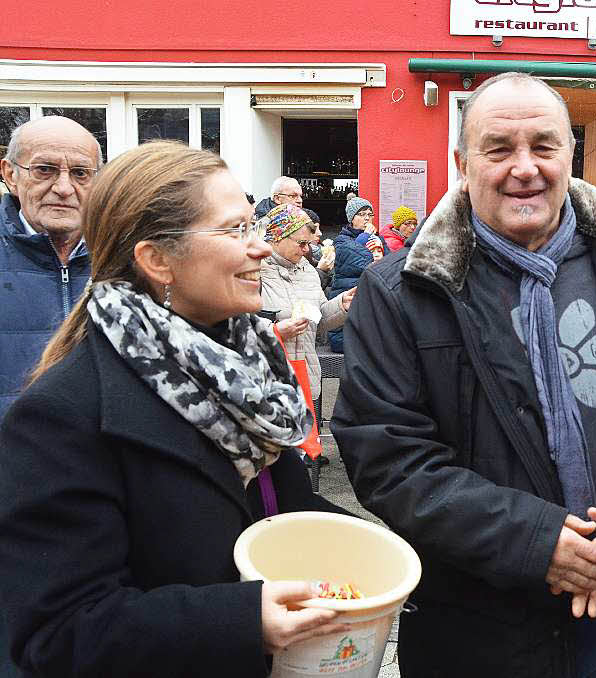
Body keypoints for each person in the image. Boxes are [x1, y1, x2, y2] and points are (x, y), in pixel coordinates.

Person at [331, 72, 596, 678]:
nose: (524, 168)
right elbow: (387, 459)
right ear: (462, 161)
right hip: (477, 634)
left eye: (544, 146)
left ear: (569, 154)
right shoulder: (404, 291)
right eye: (499, 148)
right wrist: (538, 542)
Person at [0, 142, 356, 677]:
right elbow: (57, 633)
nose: (260, 247)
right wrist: (240, 618)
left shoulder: (245, 375)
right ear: (157, 260)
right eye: (236, 230)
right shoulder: (59, 416)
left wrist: (391, 551)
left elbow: (282, 512)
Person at [0, 116, 100, 417]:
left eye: (81, 173)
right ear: (10, 175)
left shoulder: (127, 259)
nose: (64, 188)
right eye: (45, 170)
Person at [259, 203, 353, 428]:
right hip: (267, 380)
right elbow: (235, 323)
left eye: (308, 244)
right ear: (277, 237)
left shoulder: (307, 271)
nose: (306, 250)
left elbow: (319, 321)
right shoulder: (253, 270)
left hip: (304, 376)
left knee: (302, 454)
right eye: (301, 243)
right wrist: (274, 331)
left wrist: (342, 306)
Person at [325, 197, 380, 353]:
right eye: (362, 214)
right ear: (351, 218)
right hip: (347, 316)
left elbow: (387, 264)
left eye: (370, 214)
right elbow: (357, 259)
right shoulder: (341, 241)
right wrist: (366, 237)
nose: (367, 218)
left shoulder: (377, 239)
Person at [301, 207, 335, 289]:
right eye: (314, 229)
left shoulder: (312, 253)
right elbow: (305, 290)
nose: (320, 233)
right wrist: (321, 270)